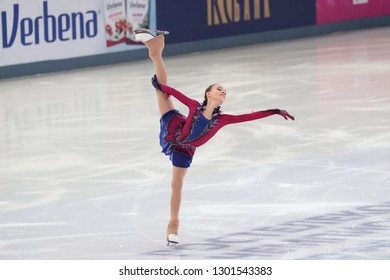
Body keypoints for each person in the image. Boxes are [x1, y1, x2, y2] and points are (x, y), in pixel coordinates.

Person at [135, 29, 295, 247]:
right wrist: (161, 86)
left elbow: (249, 116)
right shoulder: (194, 105)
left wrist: (275, 111)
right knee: (161, 94)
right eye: (220, 89)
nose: (223, 92)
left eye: (225, 91)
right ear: (208, 94)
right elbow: (176, 94)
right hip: (176, 129)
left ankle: (173, 224)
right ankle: (156, 50)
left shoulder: (223, 119)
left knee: (177, 184)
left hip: (185, 148)